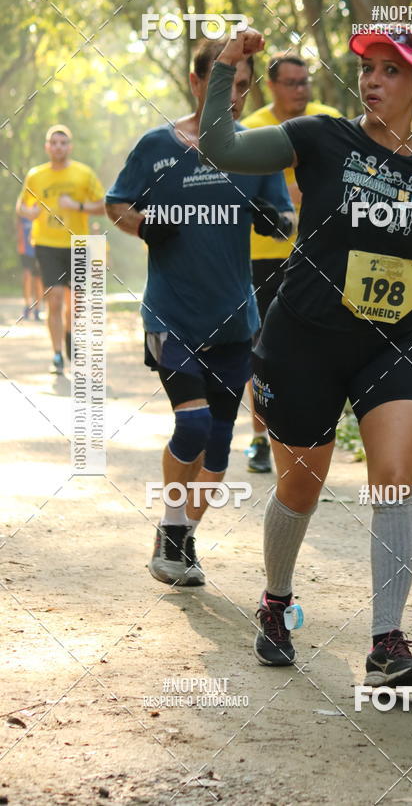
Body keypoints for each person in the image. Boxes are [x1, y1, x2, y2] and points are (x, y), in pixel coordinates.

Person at [200, 26, 412, 684]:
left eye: (391, 70)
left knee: (394, 481)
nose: (373, 80)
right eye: (368, 68)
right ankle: (276, 602)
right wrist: (225, 67)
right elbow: (222, 146)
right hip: (303, 340)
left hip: (393, 342)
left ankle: (386, 645)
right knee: (301, 487)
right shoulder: (319, 137)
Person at [105, 38, 294, 589]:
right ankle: (169, 532)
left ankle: (184, 538)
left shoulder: (256, 149)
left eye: (243, 86)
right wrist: (144, 224)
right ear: (196, 83)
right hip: (171, 315)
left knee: (217, 450)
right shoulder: (156, 146)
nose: (233, 96)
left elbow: (285, 217)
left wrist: (272, 220)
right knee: (191, 423)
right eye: (223, 82)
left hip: (235, 319)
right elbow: (116, 203)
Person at [242, 54, 342, 473]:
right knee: (263, 350)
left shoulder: (329, 120)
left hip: (319, 251)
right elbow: (242, 187)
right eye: (292, 83)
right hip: (264, 253)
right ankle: (259, 437)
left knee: (316, 348)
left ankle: (307, 433)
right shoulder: (253, 128)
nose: (301, 90)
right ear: (271, 86)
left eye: (305, 82)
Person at [16, 125, 105, 374]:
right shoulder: (36, 175)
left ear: (70, 147)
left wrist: (77, 206)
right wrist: (29, 212)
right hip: (46, 244)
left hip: (78, 244)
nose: (58, 147)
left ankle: (69, 334)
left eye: (63, 143)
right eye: (53, 143)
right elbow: (21, 206)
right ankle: (56, 354)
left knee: (75, 303)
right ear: (47, 147)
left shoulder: (84, 174)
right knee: (54, 299)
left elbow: (103, 205)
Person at [16, 214, 43, 321]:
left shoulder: (41, 208)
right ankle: (27, 305)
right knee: (27, 276)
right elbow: (19, 225)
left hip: (39, 249)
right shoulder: (23, 208)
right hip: (26, 250)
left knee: (38, 280)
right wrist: (19, 243)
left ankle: (37, 309)